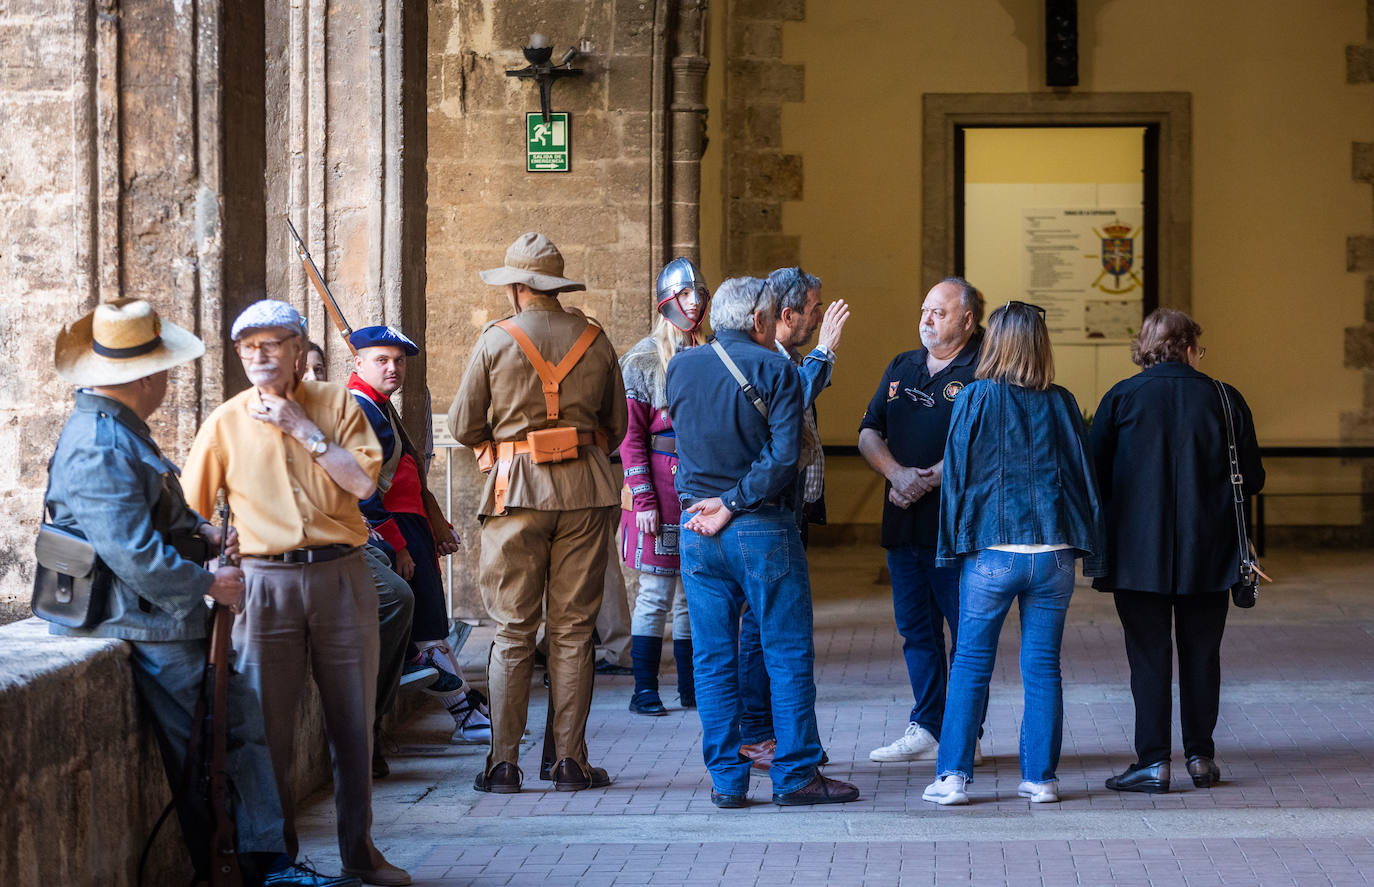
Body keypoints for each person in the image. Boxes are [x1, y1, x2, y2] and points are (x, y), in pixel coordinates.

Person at [46, 299, 358, 887]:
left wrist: (207, 533)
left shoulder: (118, 430)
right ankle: (239, 868)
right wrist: (209, 581)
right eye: (162, 369)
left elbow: (156, 514)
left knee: (232, 733)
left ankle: (265, 865)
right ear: (141, 377)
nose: (167, 379)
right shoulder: (98, 442)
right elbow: (132, 553)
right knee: (210, 750)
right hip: (143, 620)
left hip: (162, 616)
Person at [182, 300, 410, 887]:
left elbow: (362, 482)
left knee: (353, 726)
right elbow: (188, 513)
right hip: (263, 586)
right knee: (264, 731)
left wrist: (302, 430)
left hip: (341, 576)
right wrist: (214, 550)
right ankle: (279, 862)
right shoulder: (225, 422)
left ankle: (360, 855)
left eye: (272, 343)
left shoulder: (337, 405)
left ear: (298, 349)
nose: (258, 355)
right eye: (247, 347)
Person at [667, 276, 860, 808]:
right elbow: (782, 459)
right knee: (786, 650)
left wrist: (708, 505)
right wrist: (733, 503)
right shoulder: (774, 367)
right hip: (759, 527)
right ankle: (796, 775)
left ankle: (727, 781)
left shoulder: (681, 366)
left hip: (698, 529)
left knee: (711, 658)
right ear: (757, 320)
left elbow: (682, 443)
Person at [448, 232, 628, 793]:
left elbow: (460, 426)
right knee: (574, 631)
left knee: (513, 630)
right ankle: (570, 762)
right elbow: (617, 427)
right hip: (586, 492)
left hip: (515, 493)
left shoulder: (496, 341)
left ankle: (502, 765)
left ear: (519, 288)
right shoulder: (596, 340)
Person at [921, 300, 1106, 806]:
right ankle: (1041, 779)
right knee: (1043, 667)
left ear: (995, 343)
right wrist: (1091, 547)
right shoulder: (1062, 401)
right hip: (1054, 554)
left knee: (970, 665)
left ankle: (954, 778)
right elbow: (1083, 479)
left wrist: (952, 547)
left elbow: (956, 479)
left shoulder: (975, 398)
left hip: (992, 552)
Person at [1092, 308, 1265, 794]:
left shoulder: (1121, 397)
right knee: (1202, 654)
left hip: (1135, 555)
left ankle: (1152, 762)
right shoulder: (1224, 399)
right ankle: (1200, 757)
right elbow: (1252, 479)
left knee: (1147, 657)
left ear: (1146, 349)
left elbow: (1094, 475)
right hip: (1209, 553)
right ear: (1190, 348)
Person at [293, 338, 436, 780]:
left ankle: (366, 725)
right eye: (304, 370)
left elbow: (363, 483)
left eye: (319, 369)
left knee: (399, 599)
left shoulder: (337, 414)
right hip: (281, 551)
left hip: (341, 537)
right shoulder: (241, 419)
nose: (315, 379)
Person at [858, 277, 985, 765]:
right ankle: (928, 725)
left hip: (956, 529)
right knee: (916, 629)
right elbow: (870, 429)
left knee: (966, 632)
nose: (927, 319)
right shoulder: (902, 365)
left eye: (940, 312)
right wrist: (895, 473)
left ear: (967, 320)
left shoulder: (983, 371)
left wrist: (924, 480)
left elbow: (984, 442)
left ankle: (963, 731)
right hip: (903, 524)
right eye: (925, 309)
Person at [346, 325, 491, 746]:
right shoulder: (361, 409)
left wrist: (433, 526)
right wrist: (400, 545)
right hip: (393, 531)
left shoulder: (379, 405)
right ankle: (466, 713)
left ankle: (466, 708)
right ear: (358, 363)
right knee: (426, 630)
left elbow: (409, 475)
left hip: (411, 526)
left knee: (432, 626)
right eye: (381, 360)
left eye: (399, 361)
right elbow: (366, 489)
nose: (393, 368)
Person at [737, 266, 849, 771]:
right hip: (766, 510)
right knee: (763, 629)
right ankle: (759, 734)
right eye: (816, 310)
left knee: (774, 626)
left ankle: (776, 734)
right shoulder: (766, 360)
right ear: (787, 315)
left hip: (790, 508)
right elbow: (792, 400)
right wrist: (827, 350)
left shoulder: (789, 357)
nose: (820, 318)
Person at [618, 257, 711, 716]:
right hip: (657, 485)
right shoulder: (641, 359)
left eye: (698, 294)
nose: (694, 303)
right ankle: (644, 689)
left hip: (698, 488)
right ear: (667, 301)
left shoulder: (710, 351)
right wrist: (643, 498)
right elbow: (630, 437)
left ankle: (691, 688)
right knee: (655, 594)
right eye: (685, 294)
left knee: (692, 596)